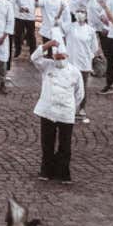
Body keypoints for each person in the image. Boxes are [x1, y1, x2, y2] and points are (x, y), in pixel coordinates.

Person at [32, 38, 84, 184]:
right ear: (53, 57)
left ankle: (63, 172)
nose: (59, 60)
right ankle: (46, 170)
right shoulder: (47, 66)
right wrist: (47, 45)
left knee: (65, 145)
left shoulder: (75, 72)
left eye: (62, 57)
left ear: (67, 56)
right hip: (48, 110)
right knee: (47, 143)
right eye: (57, 58)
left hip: (66, 112)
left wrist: (71, 106)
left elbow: (79, 94)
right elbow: (34, 57)